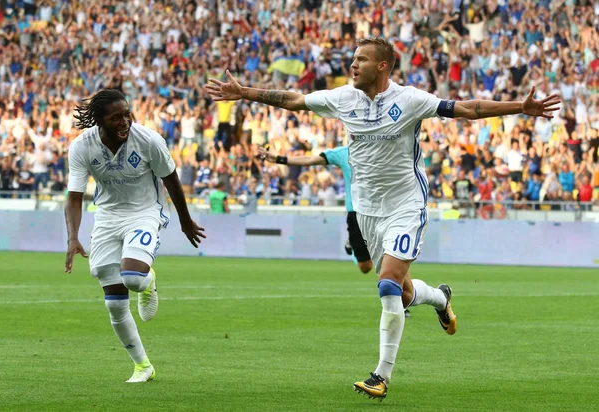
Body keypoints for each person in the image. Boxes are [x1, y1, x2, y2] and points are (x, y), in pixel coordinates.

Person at [205, 37, 560, 401]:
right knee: (402, 292)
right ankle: (440, 298)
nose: (353, 65)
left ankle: (381, 376)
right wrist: (243, 92)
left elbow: (467, 108)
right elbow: (293, 100)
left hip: (406, 203)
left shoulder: (409, 100)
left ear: (382, 66)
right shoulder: (343, 98)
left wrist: (520, 106)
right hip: (368, 211)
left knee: (388, 285)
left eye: (361, 59)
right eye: (353, 59)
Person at [64, 89, 206, 383]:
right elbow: (74, 196)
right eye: (116, 117)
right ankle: (143, 366)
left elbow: (172, 180)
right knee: (114, 303)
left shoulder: (149, 140)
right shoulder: (81, 147)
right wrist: (72, 237)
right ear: (100, 121)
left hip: (144, 212)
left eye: (126, 113)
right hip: (106, 217)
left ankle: (148, 279)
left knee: (132, 277)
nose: (124, 121)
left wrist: (185, 220)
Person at [257, 145, 373, 275]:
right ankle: (352, 244)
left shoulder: (383, 150)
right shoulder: (343, 153)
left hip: (382, 212)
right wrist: (279, 159)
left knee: (390, 261)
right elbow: (309, 160)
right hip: (356, 212)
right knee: (365, 267)